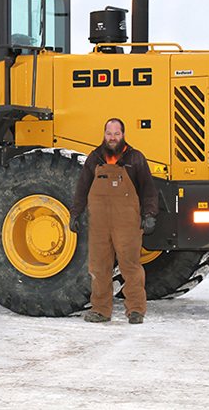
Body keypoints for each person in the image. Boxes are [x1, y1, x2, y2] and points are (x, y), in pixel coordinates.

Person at [69, 118, 158, 324]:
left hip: (126, 222)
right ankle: (100, 310)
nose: (112, 138)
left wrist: (150, 215)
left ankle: (135, 310)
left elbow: (148, 189)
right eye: (109, 134)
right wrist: (75, 213)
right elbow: (82, 189)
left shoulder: (135, 158)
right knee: (98, 267)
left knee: (130, 266)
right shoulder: (94, 158)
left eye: (116, 134)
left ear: (123, 135)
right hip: (98, 223)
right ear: (104, 135)